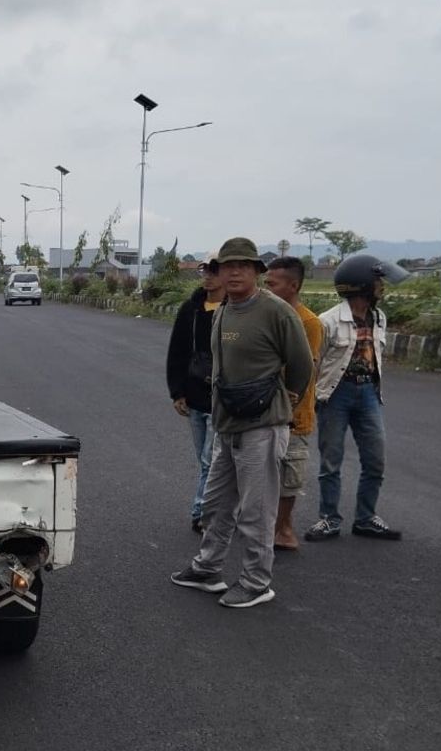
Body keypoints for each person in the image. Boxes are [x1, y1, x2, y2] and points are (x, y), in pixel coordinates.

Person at [170, 238, 312, 608]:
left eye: (242, 266)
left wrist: (288, 399)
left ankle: (256, 581)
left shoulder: (276, 312)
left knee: (256, 510)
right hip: (227, 423)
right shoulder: (224, 311)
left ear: (256, 272)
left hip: (263, 425)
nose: (233, 272)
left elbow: (302, 365)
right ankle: (208, 568)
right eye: (226, 266)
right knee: (216, 504)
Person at [304, 254, 409, 542]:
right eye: (377, 282)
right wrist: (310, 398)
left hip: (369, 394)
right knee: (330, 462)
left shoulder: (379, 318)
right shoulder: (328, 321)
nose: (382, 287)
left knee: (376, 460)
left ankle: (365, 518)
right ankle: (329, 519)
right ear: (361, 285)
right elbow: (314, 361)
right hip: (335, 395)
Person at [264, 256, 322, 550]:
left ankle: (283, 528)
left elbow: (303, 369)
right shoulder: (264, 315)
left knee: (290, 474)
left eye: (272, 284)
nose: (266, 289)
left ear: (293, 286)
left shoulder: (308, 322)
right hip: (264, 411)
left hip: (294, 414)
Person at [165, 256, 224, 533]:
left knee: (209, 459)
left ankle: (201, 511)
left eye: (214, 271)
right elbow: (177, 352)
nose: (208, 276)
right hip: (194, 394)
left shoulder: (234, 310)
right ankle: (214, 508)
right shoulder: (191, 309)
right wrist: (177, 392)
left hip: (220, 398)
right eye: (205, 270)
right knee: (204, 456)